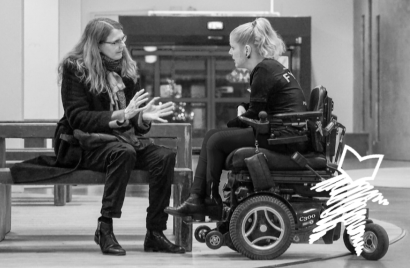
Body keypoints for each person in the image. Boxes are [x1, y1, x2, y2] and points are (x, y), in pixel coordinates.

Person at [55, 18, 185, 255]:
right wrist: (122, 114)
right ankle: (105, 227)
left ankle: (155, 233)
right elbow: (78, 118)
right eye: (115, 42)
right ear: (97, 44)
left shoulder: (126, 70)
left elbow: (132, 120)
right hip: (83, 144)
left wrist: (143, 118)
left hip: (121, 141)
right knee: (123, 153)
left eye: (122, 40)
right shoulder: (75, 68)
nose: (121, 46)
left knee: (164, 156)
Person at [165, 18, 308, 220]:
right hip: (285, 133)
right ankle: (199, 199)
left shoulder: (263, 70)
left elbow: (252, 118)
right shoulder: (270, 67)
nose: (230, 52)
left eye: (233, 48)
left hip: (283, 138)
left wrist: (239, 117)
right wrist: (244, 114)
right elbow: (260, 110)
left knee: (216, 139)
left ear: (247, 50)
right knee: (214, 136)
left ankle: (207, 200)